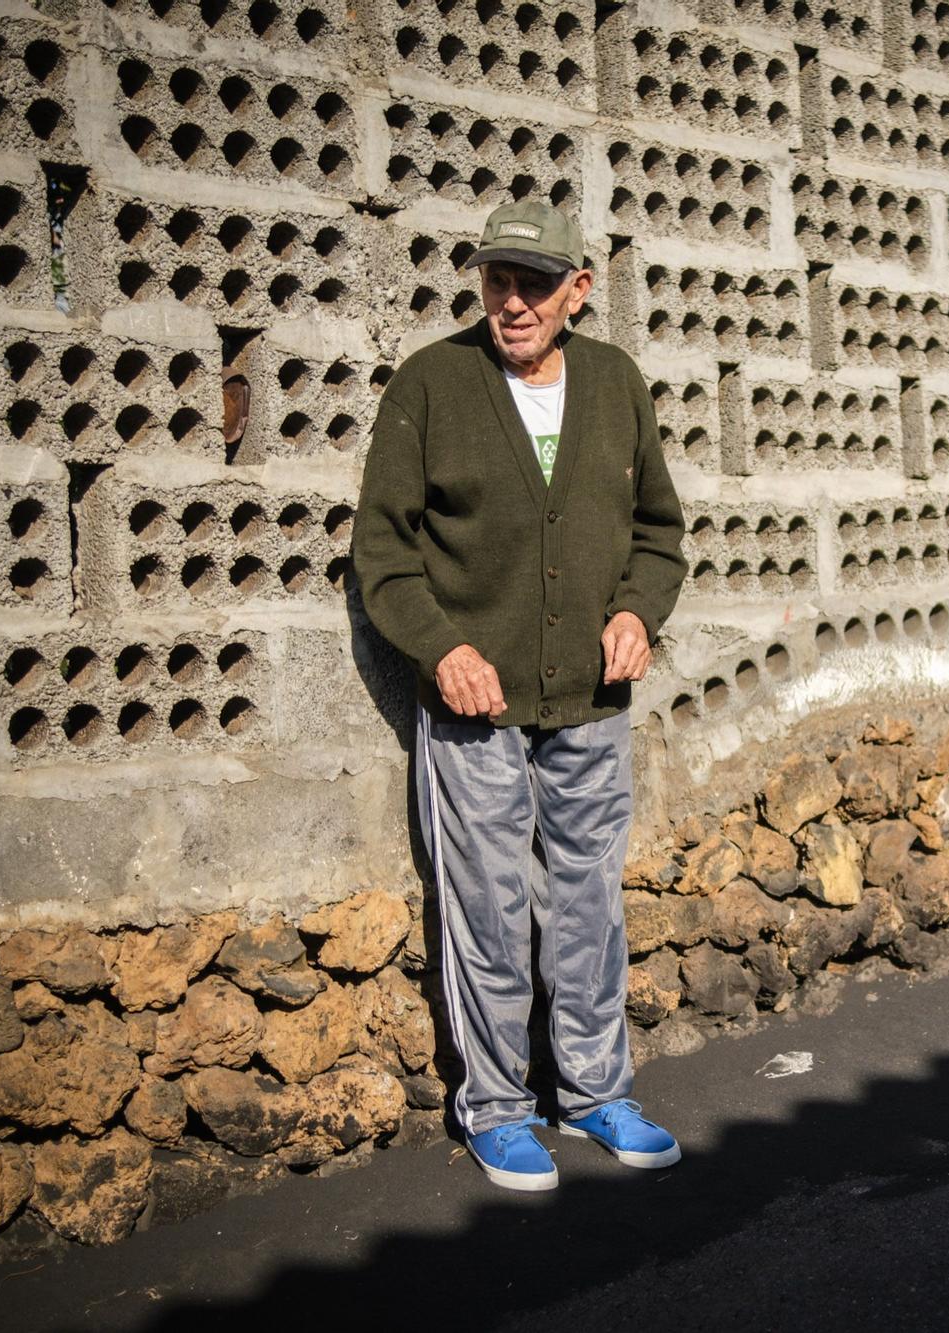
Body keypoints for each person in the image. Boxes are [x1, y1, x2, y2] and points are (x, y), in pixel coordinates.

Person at [353, 199, 688, 1191]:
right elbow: (383, 549)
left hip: (589, 700)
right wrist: (438, 644)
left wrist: (636, 613)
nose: (512, 302)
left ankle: (594, 1093)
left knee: (586, 901)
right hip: (474, 708)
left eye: (534, 284)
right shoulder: (432, 384)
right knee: (488, 907)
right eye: (497, 280)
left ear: (576, 291)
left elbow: (657, 534)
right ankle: (496, 1106)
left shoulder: (616, 385)